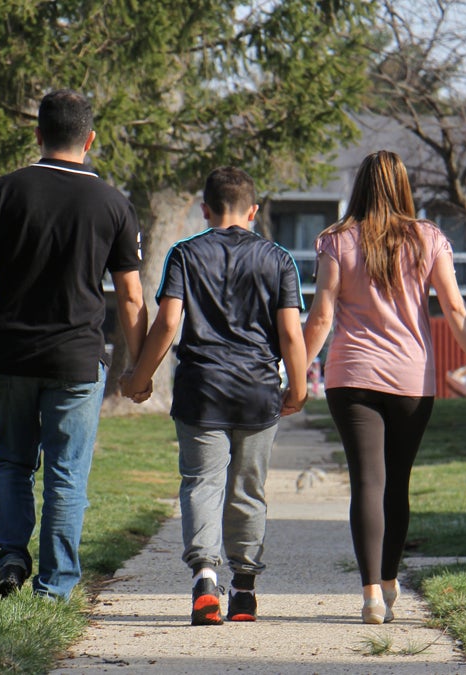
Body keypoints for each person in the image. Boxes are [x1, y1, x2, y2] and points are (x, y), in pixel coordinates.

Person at [0, 89, 148, 602]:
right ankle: (55, 585)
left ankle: (11, 558)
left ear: (38, 135)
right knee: (67, 474)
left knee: (12, 462)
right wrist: (141, 367)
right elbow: (130, 298)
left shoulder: (1, 192)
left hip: (10, 354)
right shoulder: (113, 203)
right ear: (90, 139)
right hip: (77, 359)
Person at [121, 166, 307, 625]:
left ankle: (205, 578)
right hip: (257, 391)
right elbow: (289, 332)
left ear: (204, 210)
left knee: (202, 484)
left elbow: (167, 322)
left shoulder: (185, 254)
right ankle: (244, 589)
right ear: (254, 211)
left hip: (201, 389)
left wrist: (139, 377)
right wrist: (297, 386)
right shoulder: (280, 258)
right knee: (249, 488)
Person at [303, 150, 466, 624]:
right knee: (396, 483)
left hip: (352, 377)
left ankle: (371, 597)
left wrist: (295, 371)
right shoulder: (429, 239)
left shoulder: (336, 241)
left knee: (367, 481)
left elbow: (321, 316)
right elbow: (457, 310)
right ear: (404, 186)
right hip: (411, 379)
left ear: (360, 186)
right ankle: (387, 580)